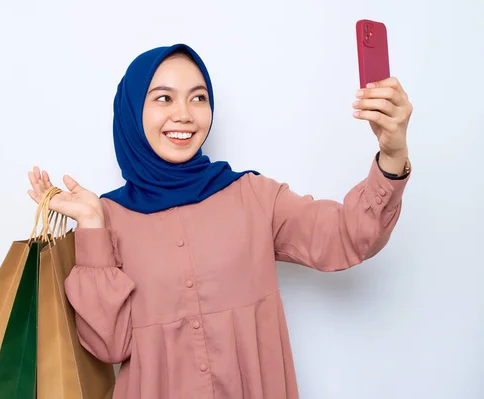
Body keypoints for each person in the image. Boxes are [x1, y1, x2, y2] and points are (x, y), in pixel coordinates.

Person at [27, 44, 412, 399]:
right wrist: (92, 226)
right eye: (163, 98)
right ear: (131, 111)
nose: (184, 114)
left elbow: (348, 236)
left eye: (199, 98)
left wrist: (392, 156)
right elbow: (109, 346)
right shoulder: (107, 219)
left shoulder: (253, 197)